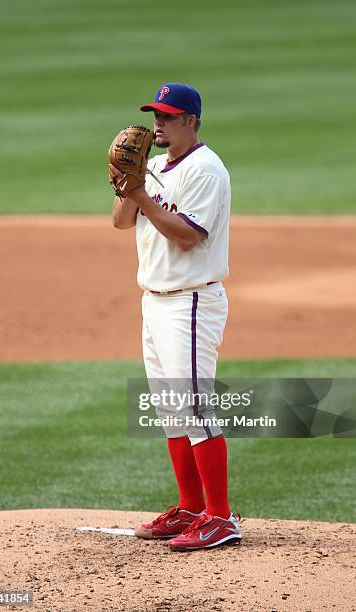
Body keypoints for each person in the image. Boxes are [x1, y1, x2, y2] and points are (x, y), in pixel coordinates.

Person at [111, 83, 241, 551]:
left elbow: (187, 236)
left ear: (192, 122)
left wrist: (143, 194)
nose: (158, 123)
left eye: (168, 116)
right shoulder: (151, 164)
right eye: (155, 114)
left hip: (191, 302)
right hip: (155, 300)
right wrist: (130, 185)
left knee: (195, 407)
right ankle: (190, 507)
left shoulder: (206, 170)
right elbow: (121, 221)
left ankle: (221, 517)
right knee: (169, 410)